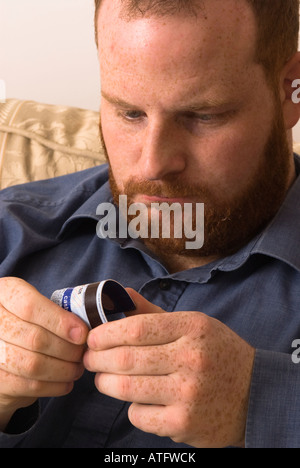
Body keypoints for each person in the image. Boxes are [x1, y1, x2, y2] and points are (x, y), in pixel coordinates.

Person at [0, 0, 300, 448]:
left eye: (203, 115)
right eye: (129, 113)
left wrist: (263, 402)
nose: (154, 163)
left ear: (290, 88)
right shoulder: (13, 227)